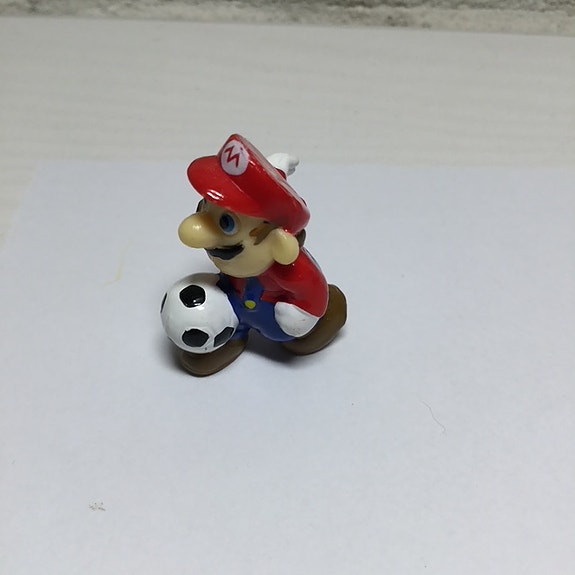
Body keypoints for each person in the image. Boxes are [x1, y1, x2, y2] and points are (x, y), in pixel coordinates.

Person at [176, 134, 346, 376]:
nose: (192, 230)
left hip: (270, 314)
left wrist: (300, 316)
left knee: (296, 337)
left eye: (226, 223)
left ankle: (317, 327)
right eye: (203, 207)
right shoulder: (239, 262)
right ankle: (233, 336)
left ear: (278, 244)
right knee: (229, 315)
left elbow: (312, 292)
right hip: (236, 301)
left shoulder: (291, 271)